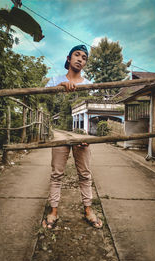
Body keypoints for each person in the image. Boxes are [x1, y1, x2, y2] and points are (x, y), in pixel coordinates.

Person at [43, 45, 102, 229]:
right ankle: (53, 211)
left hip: (81, 137)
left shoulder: (89, 84)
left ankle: (88, 210)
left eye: (84, 58)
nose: (80, 59)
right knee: (57, 174)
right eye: (77, 55)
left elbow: (93, 114)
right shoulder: (54, 80)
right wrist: (59, 87)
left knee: (85, 174)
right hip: (60, 134)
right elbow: (43, 100)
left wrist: (88, 136)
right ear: (68, 58)